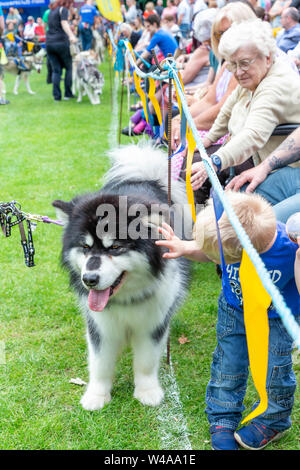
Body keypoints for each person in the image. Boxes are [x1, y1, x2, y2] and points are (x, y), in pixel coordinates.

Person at [156, 191, 300, 450]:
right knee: (227, 362)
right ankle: (223, 415)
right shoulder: (234, 232)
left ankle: (274, 419)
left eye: (215, 258)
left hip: (275, 320)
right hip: (233, 308)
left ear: (241, 251)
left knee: (274, 370)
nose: (212, 261)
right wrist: (187, 246)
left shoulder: (289, 248)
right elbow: (211, 247)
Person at [189, 19, 300, 201]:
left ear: (267, 57)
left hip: (283, 169)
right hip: (256, 158)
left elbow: (252, 135)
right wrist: (208, 139)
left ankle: (200, 223)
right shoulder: (256, 75)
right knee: (194, 161)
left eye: (244, 63)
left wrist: (214, 162)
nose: (239, 72)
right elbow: (227, 110)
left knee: (198, 173)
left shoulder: (275, 85)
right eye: (233, 65)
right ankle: (195, 222)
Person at [227, 126, 300, 223]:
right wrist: (264, 167)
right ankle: (201, 234)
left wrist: (217, 161)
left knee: (260, 225)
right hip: (296, 176)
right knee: (232, 197)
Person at [46, 0, 78, 101]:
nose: (71, 5)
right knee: (69, 68)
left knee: (56, 71)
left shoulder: (51, 11)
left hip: (49, 43)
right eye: (71, 4)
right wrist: (71, 36)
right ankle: (67, 94)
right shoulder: (63, 10)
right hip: (61, 42)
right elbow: (64, 23)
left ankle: (57, 96)